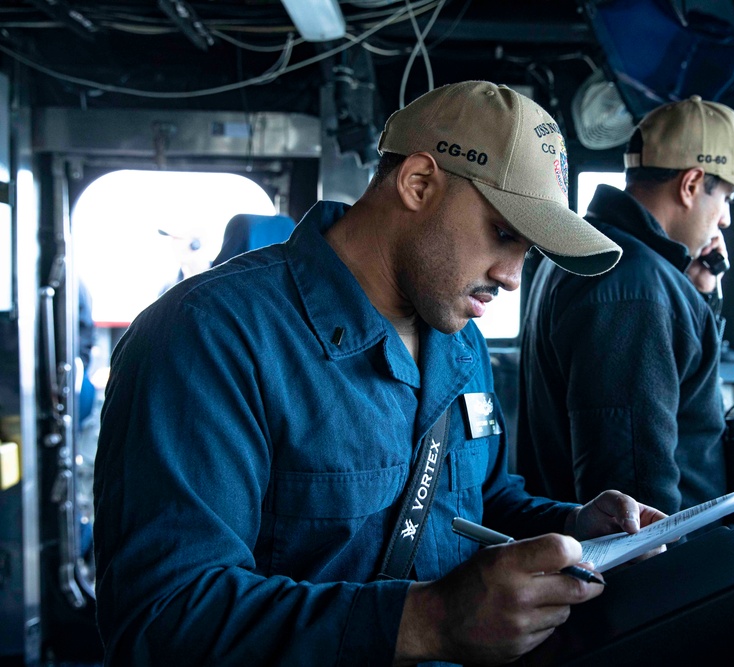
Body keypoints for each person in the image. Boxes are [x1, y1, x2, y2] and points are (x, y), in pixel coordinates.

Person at [93, 80, 666, 667]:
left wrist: (573, 524)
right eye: (503, 234)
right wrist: (430, 619)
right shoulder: (209, 336)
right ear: (418, 183)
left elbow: (478, 502)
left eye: (528, 251)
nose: (514, 276)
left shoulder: (460, 341)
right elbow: (161, 619)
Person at [517, 95, 734, 515]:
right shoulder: (637, 290)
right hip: (667, 571)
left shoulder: (594, 252)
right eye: (728, 198)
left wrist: (694, 294)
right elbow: (636, 503)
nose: (726, 220)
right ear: (691, 185)